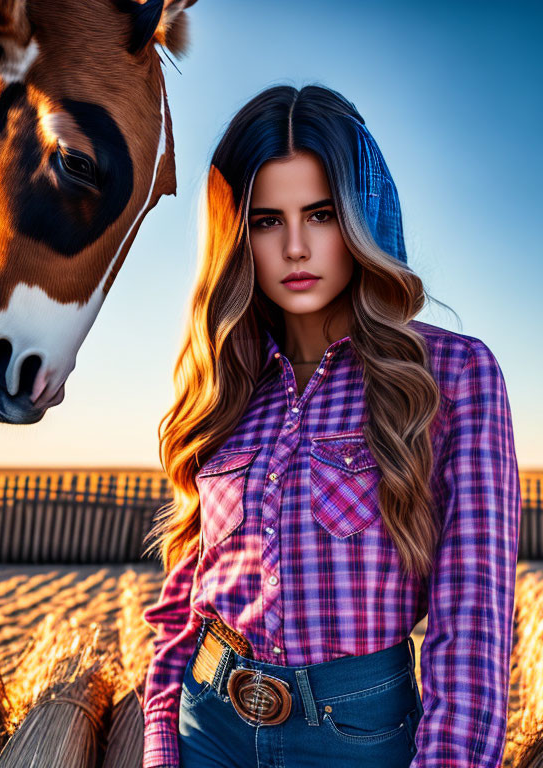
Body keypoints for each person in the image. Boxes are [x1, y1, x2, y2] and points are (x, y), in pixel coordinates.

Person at [139, 83, 521, 768]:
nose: (294, 247)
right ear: (237, 237)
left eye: (319, 214)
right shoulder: (224, 382)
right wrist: (163, 743)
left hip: (361, 739)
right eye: (265, 220)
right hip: (210, 729)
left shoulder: (455, 377)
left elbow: (473, 624)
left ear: (360, 216)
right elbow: (182, 604)